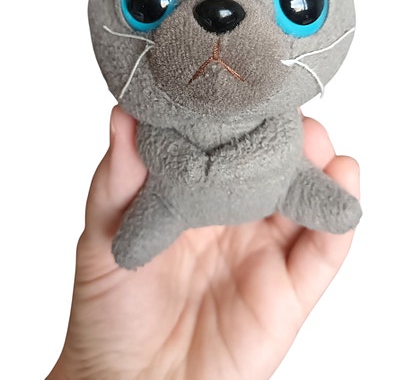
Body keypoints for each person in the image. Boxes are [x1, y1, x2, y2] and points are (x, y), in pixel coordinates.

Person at [46, 106, 360, 380]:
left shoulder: (278, 113)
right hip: (171, 203)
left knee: (324, 192)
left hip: (279, 183)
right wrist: (97, 373)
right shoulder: (160, 113)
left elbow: (281, 140)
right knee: (132, 245)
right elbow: (153, 143)